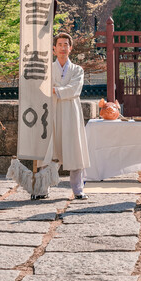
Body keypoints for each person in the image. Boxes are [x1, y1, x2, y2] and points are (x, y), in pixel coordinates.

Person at [37, 33, 90, 199]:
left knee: (74, 149)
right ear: (54, 49)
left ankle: (78, 190)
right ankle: (42, 189)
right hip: (50, 112)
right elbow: (40, 88)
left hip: (71, 112)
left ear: (70, 48)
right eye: (59, 44)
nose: (62, 48)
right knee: (48, 151)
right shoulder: (47, 69)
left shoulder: (77, 70)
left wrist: (54, 90)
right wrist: (56, 90)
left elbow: (75, 89)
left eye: (65, 44)